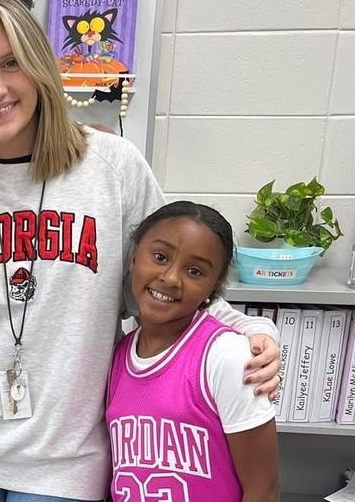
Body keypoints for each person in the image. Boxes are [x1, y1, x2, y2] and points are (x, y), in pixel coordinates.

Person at [0, 0, 281, 501]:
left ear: (40, 68)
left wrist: (252, 329)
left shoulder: (112, 166)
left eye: (11, 63)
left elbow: (166, 280)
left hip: (68, 459)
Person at [107, 201, 278, 502]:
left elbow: (262, 489)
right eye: (160, 256)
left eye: (195, 271)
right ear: (134, 256)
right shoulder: (117, 357)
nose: (171, 278)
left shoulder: (227, 357)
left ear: (213, 288)